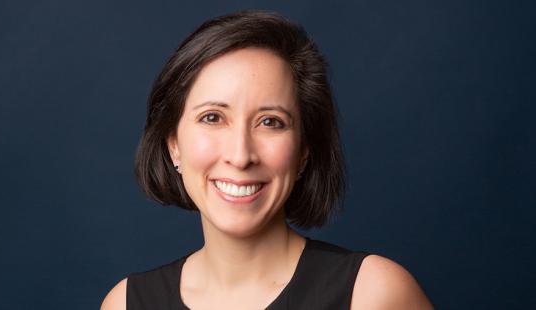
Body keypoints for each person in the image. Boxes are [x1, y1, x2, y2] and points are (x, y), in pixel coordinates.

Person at [101, 10, 433, 310]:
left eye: (270, 122)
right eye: (213, 118)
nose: (241, 155)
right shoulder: (127, 303)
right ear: (174, 144)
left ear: (304, 151)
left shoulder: (374, 294)